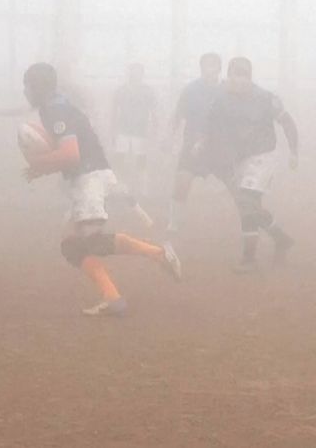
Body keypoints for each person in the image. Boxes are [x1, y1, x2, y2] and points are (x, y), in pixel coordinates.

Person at [22, 62, 181, 316]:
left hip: (89, 178)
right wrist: (44, 166)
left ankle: (158, 255)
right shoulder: (55, 107)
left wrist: (38, 163)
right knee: (71, 246)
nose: (25, 92)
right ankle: (114, 298)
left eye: (26, 87)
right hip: (87, 176)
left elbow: (71, 154)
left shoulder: (56, 112)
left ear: (36, 88)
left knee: (91, 242)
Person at [200, 57, 298, 273]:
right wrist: (203, 144)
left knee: (246, 201)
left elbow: (287, 122)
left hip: (264, 155)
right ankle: (281, 239)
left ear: (250, 77)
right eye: (236, 74)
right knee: (249, 207)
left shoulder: (265, 98)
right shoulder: (221, 99)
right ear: (229, 76)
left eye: (245, 75)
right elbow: (211, 124)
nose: (240, 80)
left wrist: (294, 152)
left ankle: (249, 260)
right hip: (240, 157)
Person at [163, 53, 222, 234]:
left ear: (219, 69)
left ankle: (248, 222)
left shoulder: (226, 91)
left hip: (219, 147)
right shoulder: (191, 90)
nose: (209, 69)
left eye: (213, 65)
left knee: (237, 189)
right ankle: (174, 223)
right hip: (192, 144)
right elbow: (178, 114)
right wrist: (169, 136)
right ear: (201, 68)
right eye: (206, 65)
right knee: (182, 183)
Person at [110, 63, 158, 197]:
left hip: (140, 131)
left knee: (141, 159)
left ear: (142, 74)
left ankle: (142, 188)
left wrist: (155, 128)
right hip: (123, 130)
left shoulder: (148, 91)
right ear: (129, 73)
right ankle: (120, 185)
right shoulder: (121, 91)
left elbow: (153, 112)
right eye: (133, 71)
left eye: (138, 72)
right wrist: (113, 130)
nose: (135, 74)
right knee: (120, 158)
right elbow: (114, 112)